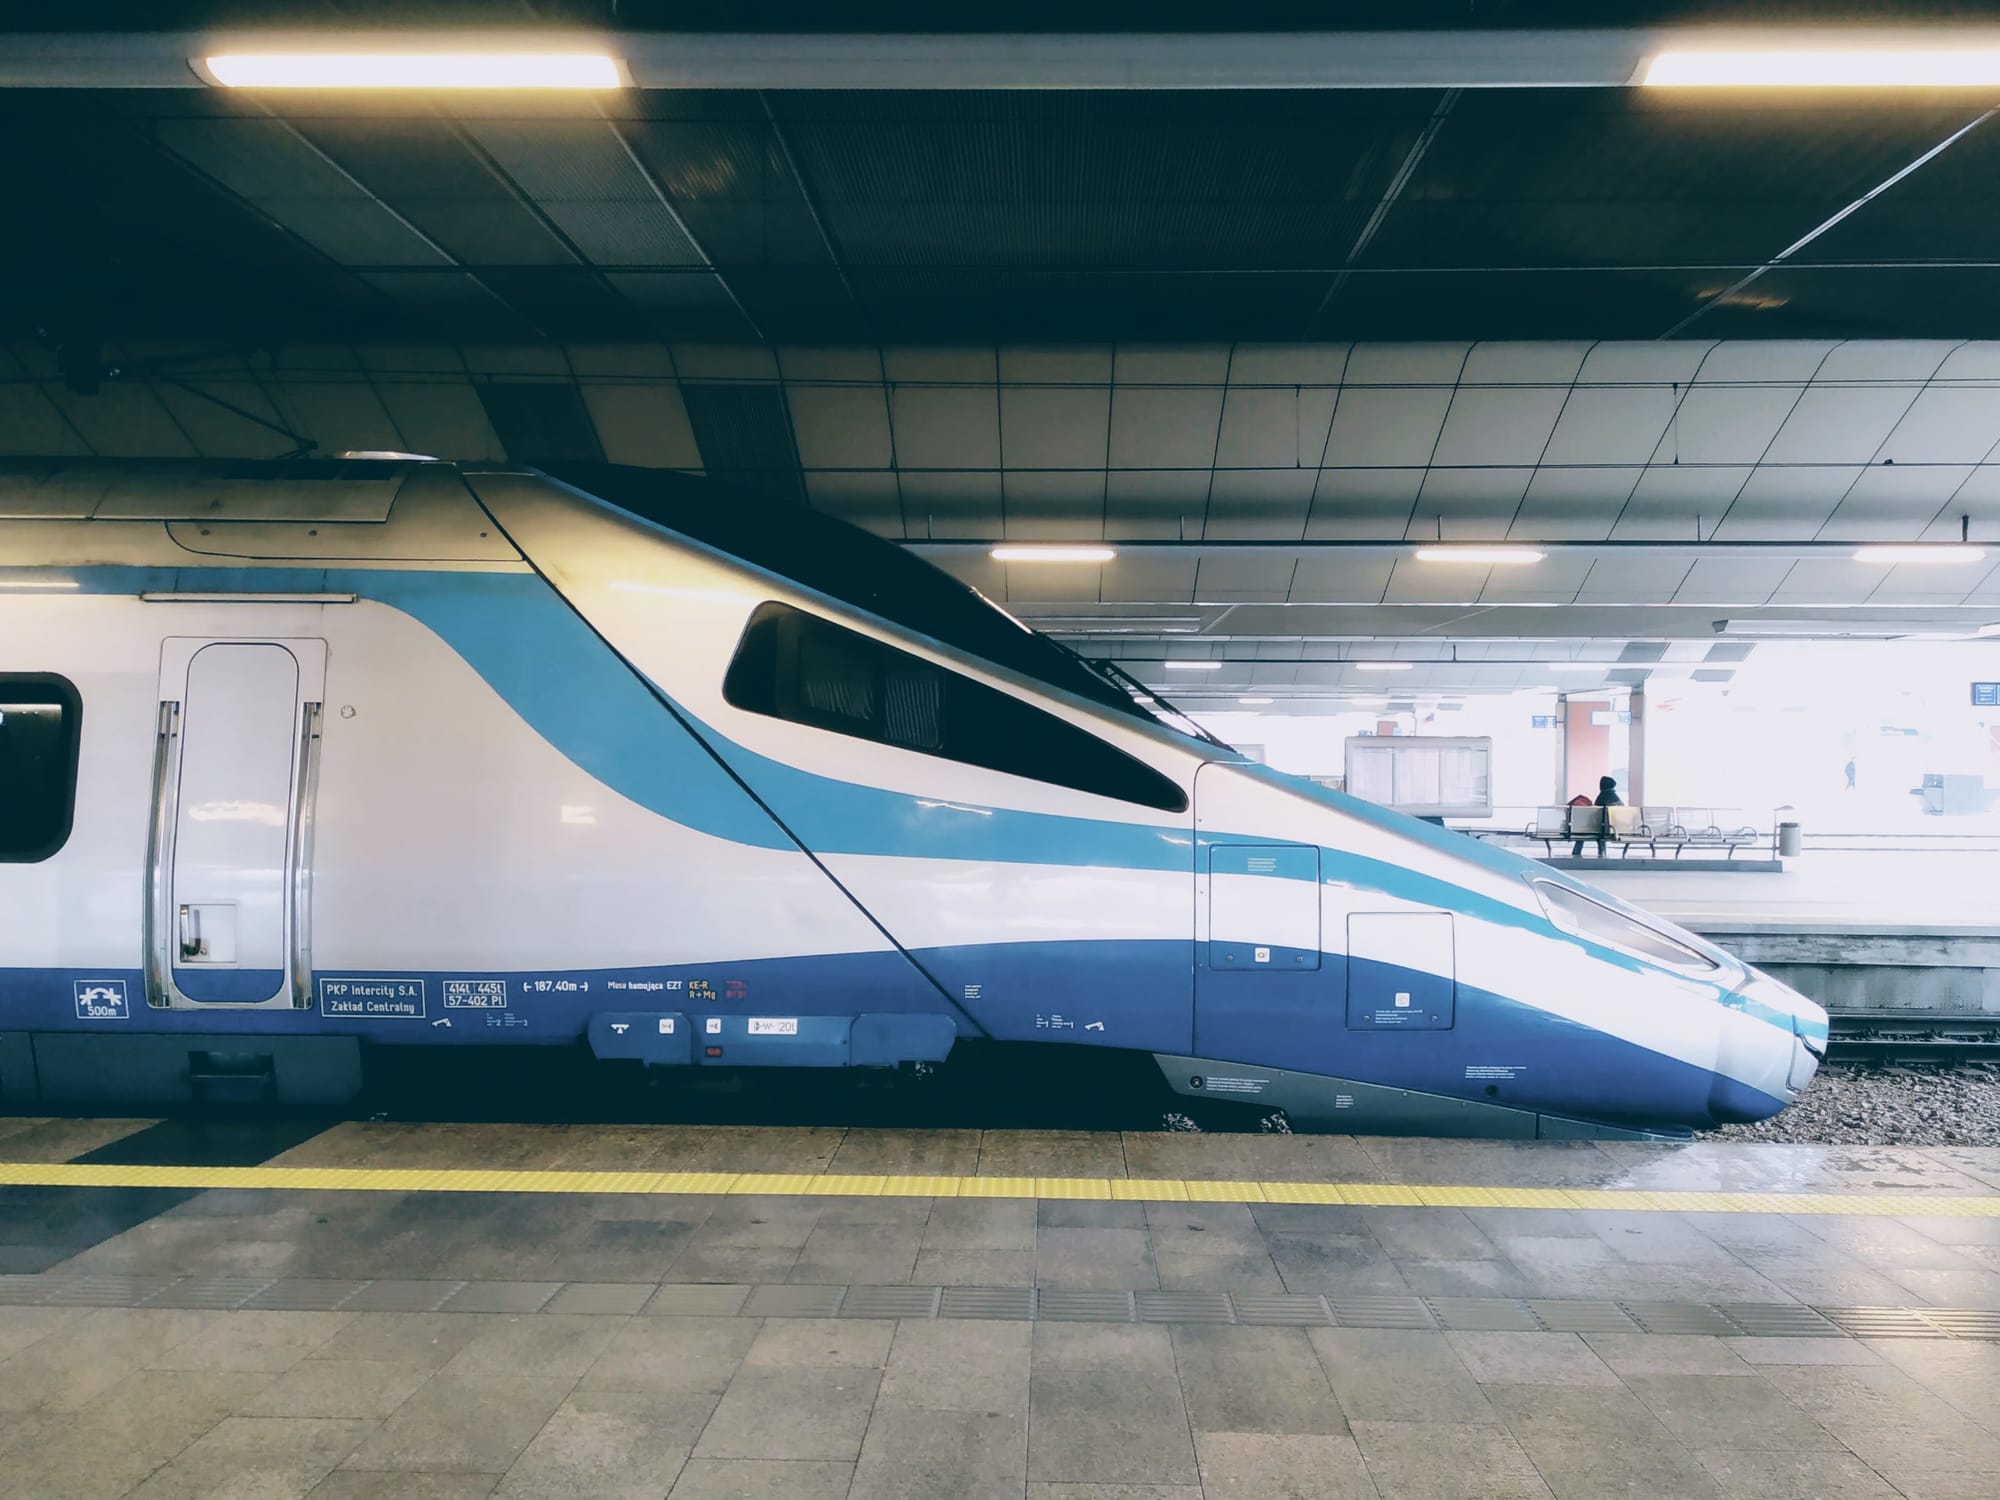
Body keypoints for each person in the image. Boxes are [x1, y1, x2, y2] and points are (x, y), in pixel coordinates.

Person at [1572, 775, 1621, 859]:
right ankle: (1602, 851)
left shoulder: (1602, 796)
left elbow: (1596, 814)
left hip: (1602, 828)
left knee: (1581, 831)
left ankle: (1576, 852)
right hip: (1613, 828)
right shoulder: (1616, 798)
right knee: (1597, 832)